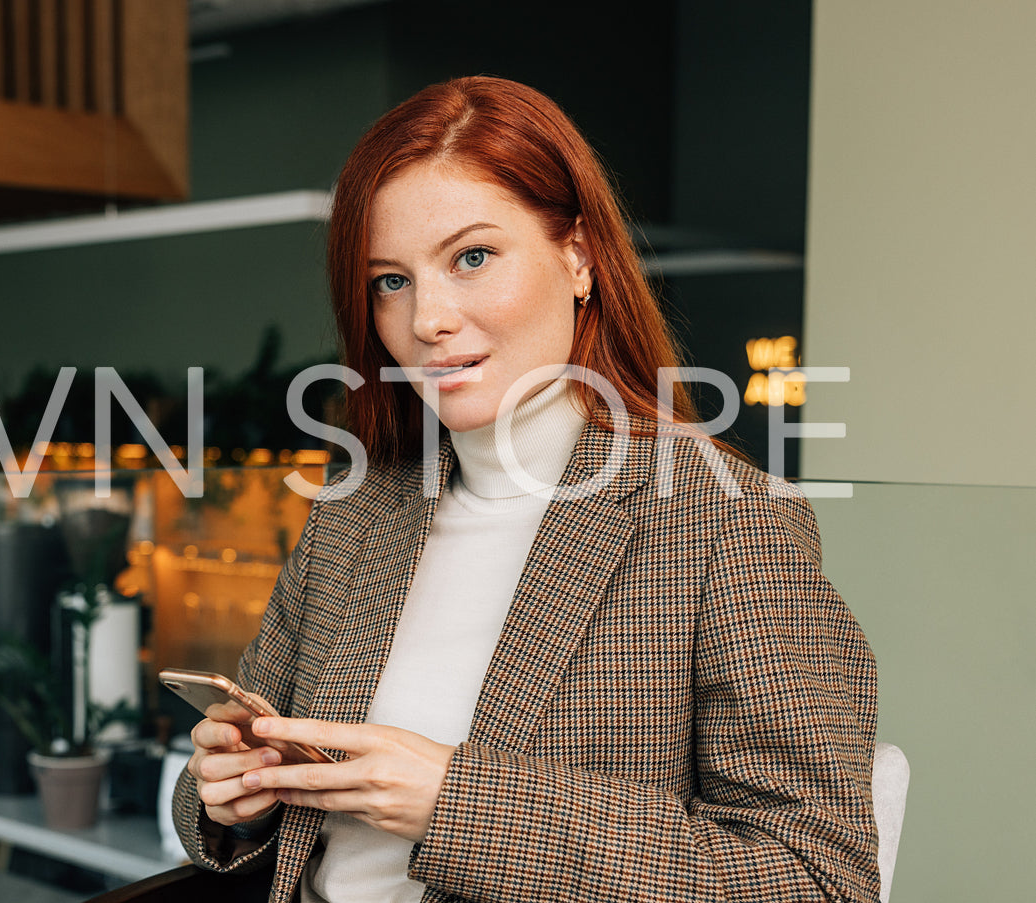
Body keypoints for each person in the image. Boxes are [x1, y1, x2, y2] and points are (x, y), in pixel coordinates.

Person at [171, 76, 878, 903]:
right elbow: (219, 814)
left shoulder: (726, 521)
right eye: (389, 280)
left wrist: (454, 804)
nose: (426, 319)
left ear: (577, 256)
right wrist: (235, 797)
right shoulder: (357, 507)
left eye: (471, 257)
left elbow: (817, 878)